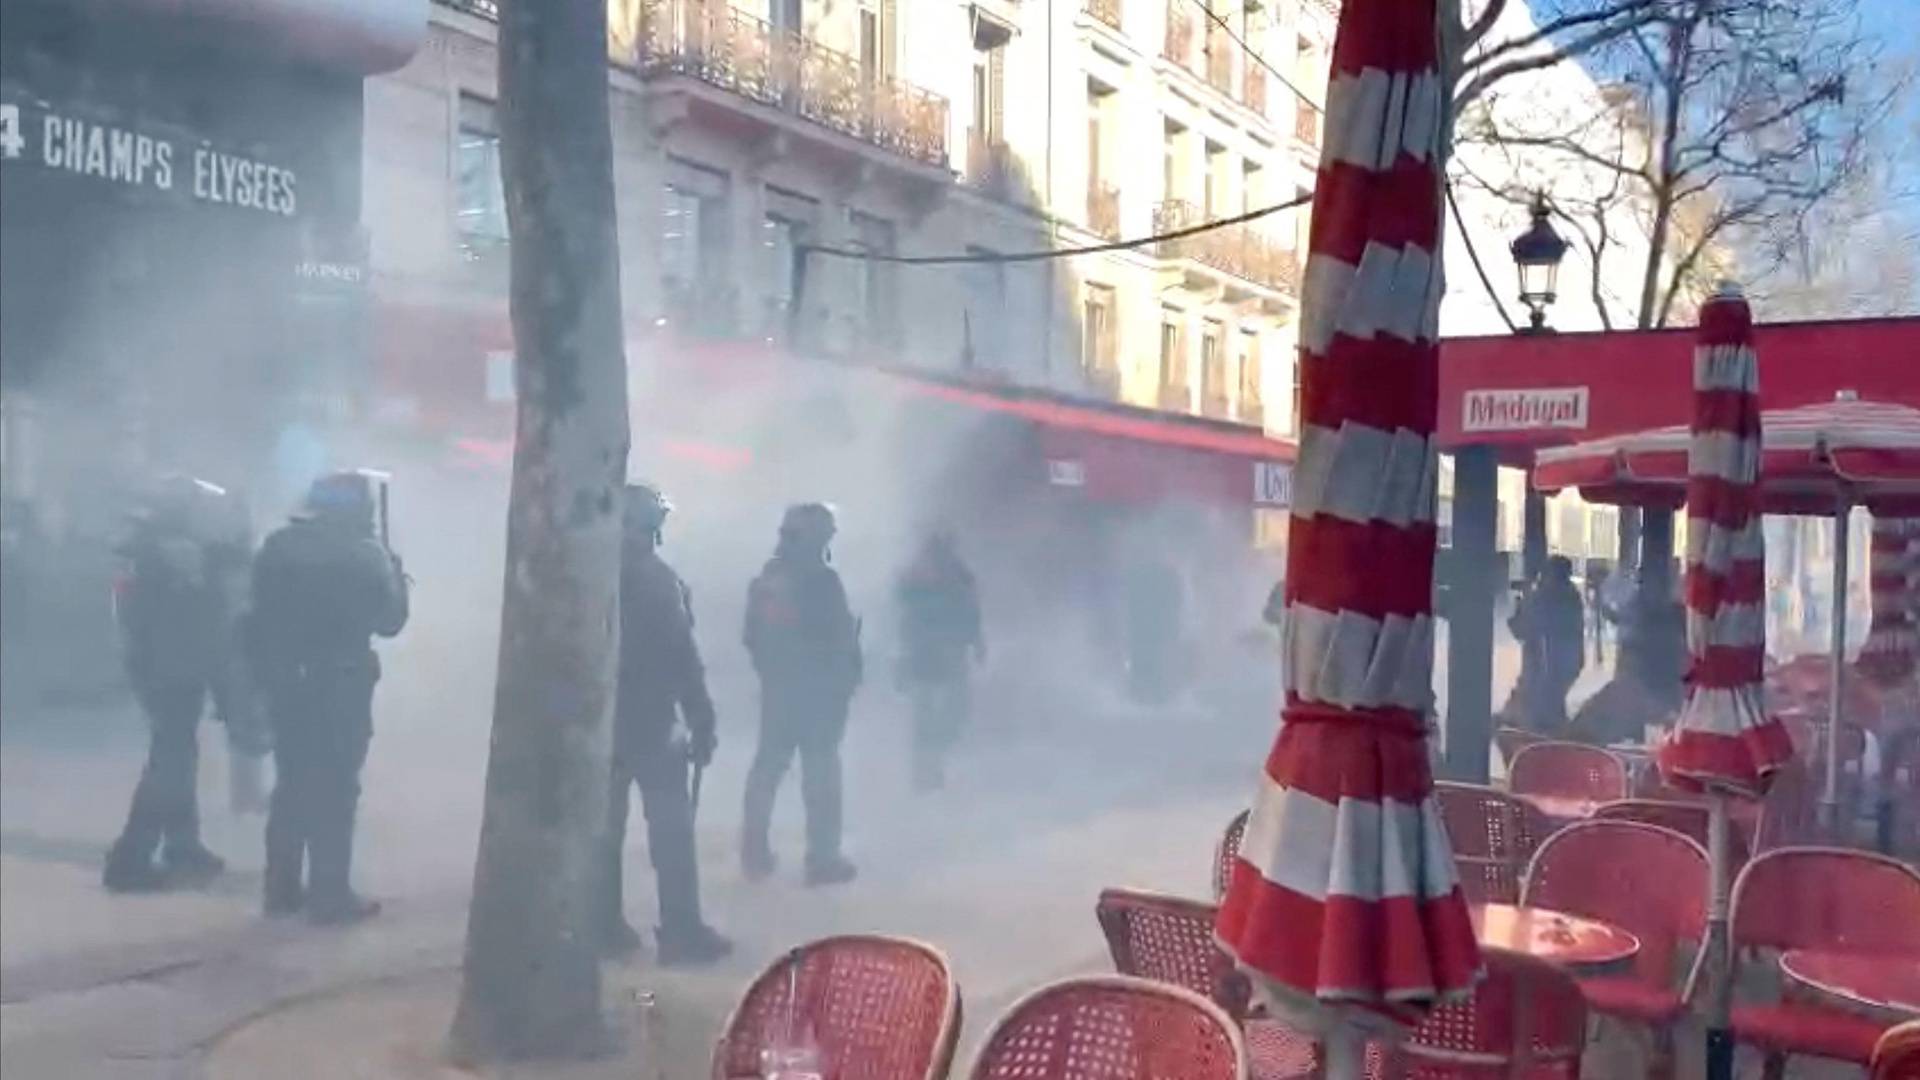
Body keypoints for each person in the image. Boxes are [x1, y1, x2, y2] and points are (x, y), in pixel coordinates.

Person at [247, 471, 408, 925]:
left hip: (287, 683)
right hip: (341, 684)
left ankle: (280, 889)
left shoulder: (278, 546)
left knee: (292, 784)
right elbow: (391, 621)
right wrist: (394, 569)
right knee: (337, 788)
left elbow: (255, 613)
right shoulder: (365, 554)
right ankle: (329, 892)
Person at [596, 484, 732, 964]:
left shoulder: (589, 576)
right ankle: (680, 930)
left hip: (602, 724)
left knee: (603, 833)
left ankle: (603, 926)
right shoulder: (657, 580)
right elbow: (681, 655)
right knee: (672, 834)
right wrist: (701, 717)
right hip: (652, 723)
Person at [101, 477, 244, 892]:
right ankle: (131, 858)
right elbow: (204, 611)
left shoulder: (143, 547)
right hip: (174, 669)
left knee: (179, 753)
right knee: (170, 761)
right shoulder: (172, 551)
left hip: (160, 666)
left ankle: (183, 844)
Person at [741, 503, 862, 886]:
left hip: (779, 691)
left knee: (767, 770)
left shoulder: (767, 580)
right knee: (821, 774)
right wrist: (844, 681)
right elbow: (840, 640)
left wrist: (773, 674)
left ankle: (754, 853)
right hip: (818, 694)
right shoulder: (822, 581)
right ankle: (823, 858)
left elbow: (751, 638)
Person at [894, 529, 984, 791]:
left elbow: (970, 610)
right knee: (930, 716)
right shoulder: (915, 578)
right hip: (927, 654)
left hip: (945, 653)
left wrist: (976, 641)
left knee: (950, 713)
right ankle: (925, 774)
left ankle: (929, 766)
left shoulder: (958, 575)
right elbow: (903, 618)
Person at [1506, 555, 1586, 733]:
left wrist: (1521, 608)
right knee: (1552, 703)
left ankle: (1543, 736)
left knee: (1544, 705)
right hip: (1565, 662)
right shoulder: (1571, 595)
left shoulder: (1547, 596)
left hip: (1548, 663)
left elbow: (1522, 629)